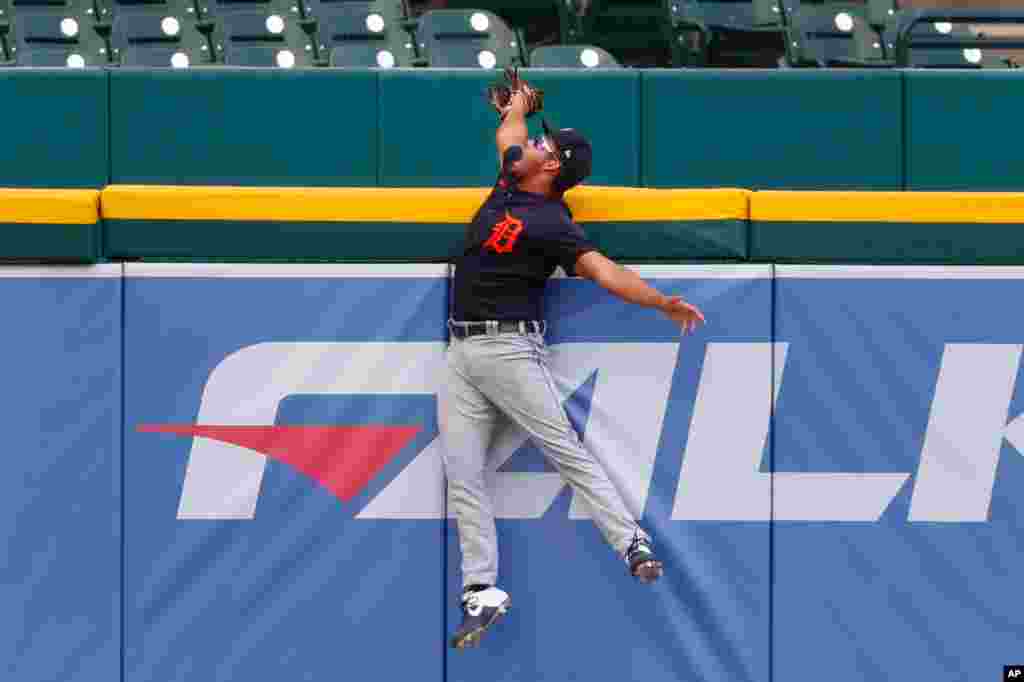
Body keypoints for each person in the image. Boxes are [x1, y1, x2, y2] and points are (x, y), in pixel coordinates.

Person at [439, 77, 705, 650]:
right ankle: (481, 590)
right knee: (461, 474)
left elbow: (606, 272)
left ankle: (630, 541)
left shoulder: (554, 223)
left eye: (542, 144)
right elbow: (508, 131)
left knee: (565, 451)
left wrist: (660, 302)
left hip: (511, 347)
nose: (529, 144)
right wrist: (517, 108)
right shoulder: (507, 180)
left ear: (553, 166)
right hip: (461, 351)